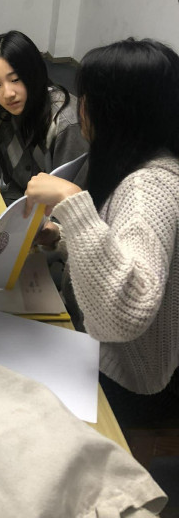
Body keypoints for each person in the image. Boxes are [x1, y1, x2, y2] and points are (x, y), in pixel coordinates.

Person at [24, 38, 179, 428]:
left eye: (87, 98)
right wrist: (62, 238)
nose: (80, 107)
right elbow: (123, 251)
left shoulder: (148, 188)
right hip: (112, 355)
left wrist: (72, 203)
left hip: (128, 380)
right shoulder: (145, 164)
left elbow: (123, 316)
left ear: (116, 110)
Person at [0, 30, 88, 204]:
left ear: (34, 73)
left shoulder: (66, 123)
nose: (8, 93)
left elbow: (77, 203)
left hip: (58, 215)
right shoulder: (0, 111)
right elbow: (15, 183)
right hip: (22, 202)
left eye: (15, 79)